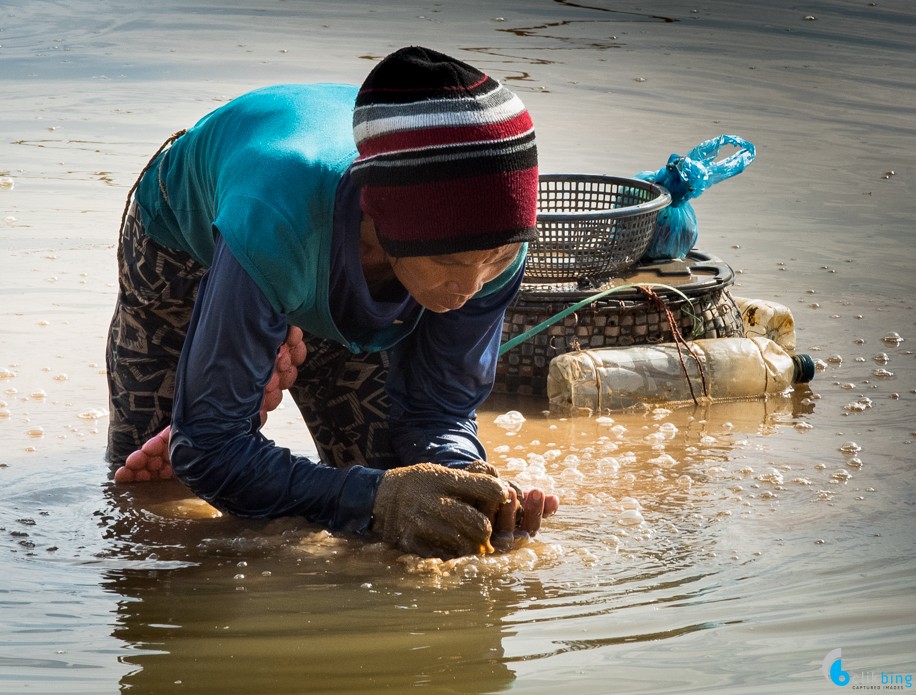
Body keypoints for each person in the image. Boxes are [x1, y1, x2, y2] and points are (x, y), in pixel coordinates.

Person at [105, 45, 559, 559]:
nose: (470, 287)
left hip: (303, 254)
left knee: (411, 507)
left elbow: (438, 410)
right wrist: (373, 499)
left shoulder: (496, 244)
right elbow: (207, 450)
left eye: (496, 259)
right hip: (192, 241)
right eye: (449, 261)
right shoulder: (274, 218)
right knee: (150, 504)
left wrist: (467, 481)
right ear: (380, 222)